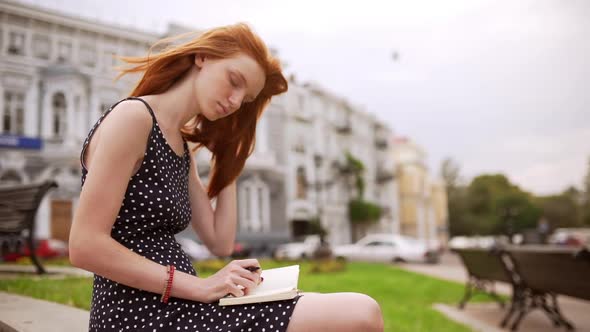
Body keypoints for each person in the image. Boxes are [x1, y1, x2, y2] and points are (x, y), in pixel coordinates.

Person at [69, 23, 383, 332]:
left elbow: (220, 242)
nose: (234, 101)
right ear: (203, 57)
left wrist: (228, 155)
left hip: (183, 303)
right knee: (360, 313)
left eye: (244, 100)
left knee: (345, 310)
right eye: (234, 81)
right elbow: (85, 245)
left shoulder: (180, 148)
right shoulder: (133, 118)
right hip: (140, 314)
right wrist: (200, 287)